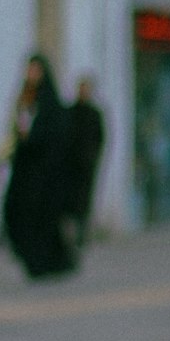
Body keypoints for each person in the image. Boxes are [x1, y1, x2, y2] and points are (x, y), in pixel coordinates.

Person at [1, 52, 77, 278]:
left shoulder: (50, 103)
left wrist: (32, 138)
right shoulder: (24, 99)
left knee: (42, 219)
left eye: (36, 70)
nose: (31, 75)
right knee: (14, 212)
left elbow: (55, 138)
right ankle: (32, 258)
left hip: (44, 174)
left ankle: (43, 263)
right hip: (24, 169)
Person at [66, 76, 106, 247]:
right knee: (71, 199)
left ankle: (82, 233)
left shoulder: (94, 114)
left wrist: (94, 157)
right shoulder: (71, 112)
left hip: (87, 164)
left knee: (84, 200)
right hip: (71, 165)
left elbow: (100, 138)